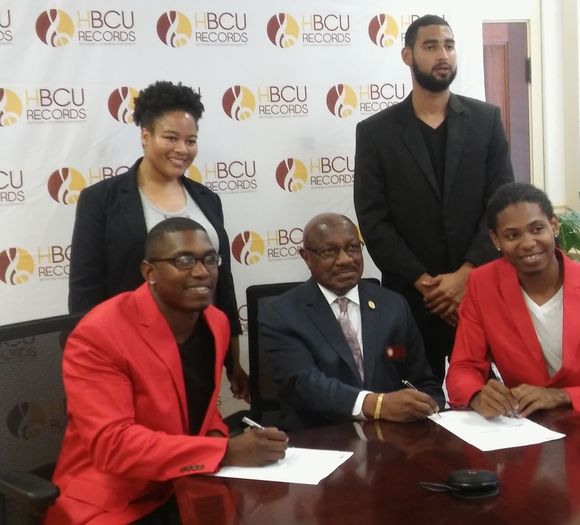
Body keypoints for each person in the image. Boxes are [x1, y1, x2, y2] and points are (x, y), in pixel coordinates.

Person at [46, 218, 288, 525]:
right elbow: (113, 445)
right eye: (183, 261)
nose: (201, 271)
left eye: (209, 259)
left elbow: (199, 411)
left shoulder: (216, 322)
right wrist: (225, 451)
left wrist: (228, 443)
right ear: (149, 272)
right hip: (114, 499)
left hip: (185, 483)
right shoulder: (100, 334)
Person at [353, 14, 514, 382]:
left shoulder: (486, 120)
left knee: (484, 398)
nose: (443, 54)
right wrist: (426, 283)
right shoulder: (376, 132)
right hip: (410, 299)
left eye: (449, 45)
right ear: (407, 55)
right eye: (431, 46)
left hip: (477, 293)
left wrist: (466, 275)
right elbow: (374, 220)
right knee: (414, 404)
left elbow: (501, 205)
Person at [68, 80, 249, 400]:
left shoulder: (207, 199)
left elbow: (224, 282)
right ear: (145, 135)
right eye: (171, 137)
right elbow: (86, 289)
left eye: (191, 140)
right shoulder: (101, 200)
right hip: (130, 350)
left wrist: (233, 361)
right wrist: (94, 360)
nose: (182, 149)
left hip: (200, 347)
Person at [445, 183, 580, 434]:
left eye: (537, 229)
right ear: (495, 240)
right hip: (530, 432)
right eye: (512, 235)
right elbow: (464, 367)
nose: (528, 243)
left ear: (554, 226)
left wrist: (561, 396)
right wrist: (477, 395)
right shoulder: (483, 285)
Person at [259, 213, 445, 432]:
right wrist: (376, 405)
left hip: (394, 437)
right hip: (320, 437)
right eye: (330, 251)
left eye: (353, 248)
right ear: (306, 257)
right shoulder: (281, 313)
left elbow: (424, 383)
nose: (346, 260)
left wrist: (425, 406)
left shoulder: (394, 305)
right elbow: (304, 385)